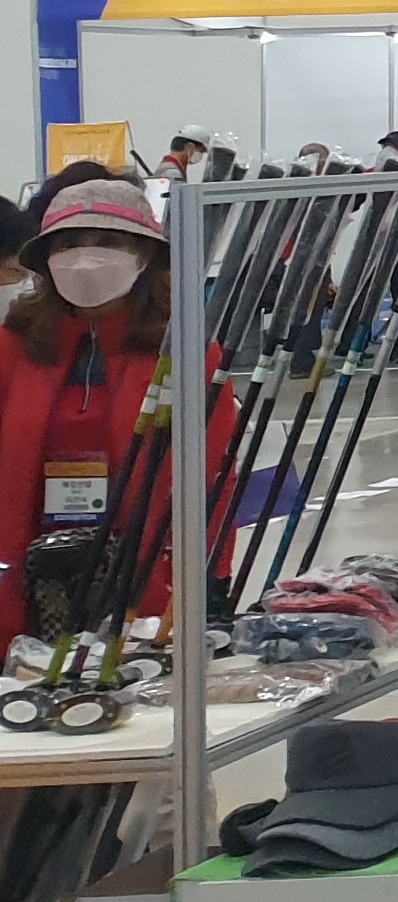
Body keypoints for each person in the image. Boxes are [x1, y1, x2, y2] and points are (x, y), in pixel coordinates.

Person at [0, 171, 236, 651]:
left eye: (107, 243)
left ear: (144, 256)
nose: (85, 258)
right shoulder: (14, 346)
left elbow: (214, 473)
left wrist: (211, 571)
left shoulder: (186, 349)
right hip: (27, 568)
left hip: (143, 572)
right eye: (69, 245)